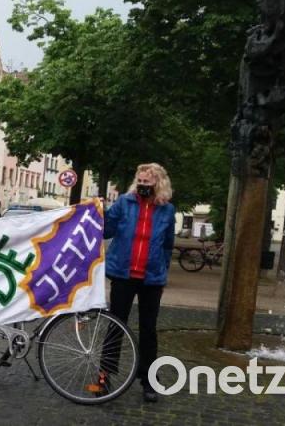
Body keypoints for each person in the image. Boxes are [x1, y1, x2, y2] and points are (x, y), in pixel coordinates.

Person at [102, 163, 176, 403]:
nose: (143, 185)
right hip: (123, 275)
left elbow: (167, 245)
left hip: (151, 278)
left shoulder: (167, 210)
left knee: (148, 330)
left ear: (159, 184)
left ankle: (149, 380)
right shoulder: (125, 203)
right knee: (116, 325)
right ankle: (105, 375)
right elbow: (105, 230)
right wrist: (98, 212)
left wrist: (162, 272)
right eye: (140, 181)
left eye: (148, 182)